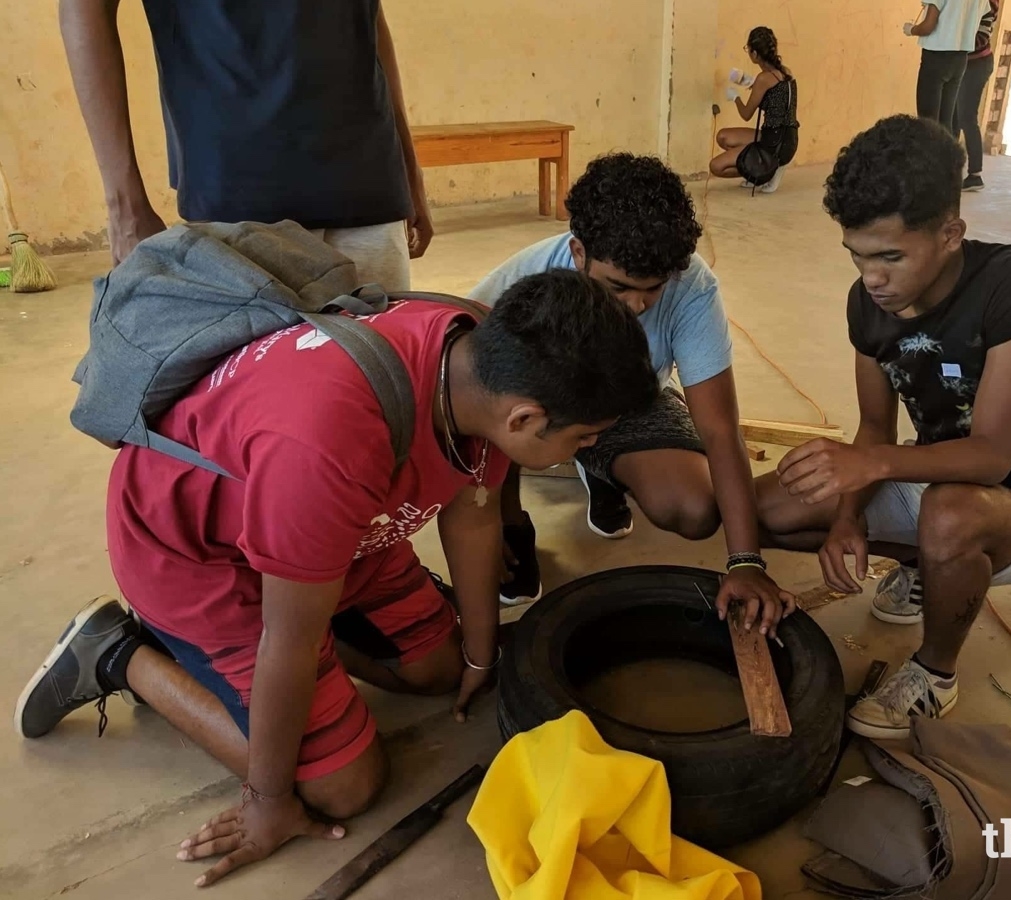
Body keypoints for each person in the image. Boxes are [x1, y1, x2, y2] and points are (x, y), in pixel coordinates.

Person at [14, 272, 657, 887]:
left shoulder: (479, 350)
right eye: (583, 438)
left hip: (341, 535)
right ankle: (119, 655)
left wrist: (480, 654)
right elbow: (286, 639)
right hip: (204, 565)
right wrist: (266, 801)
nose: (580, 452)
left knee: (441, 669)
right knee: (341, 788)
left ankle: (311, 649)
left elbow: (474, 511)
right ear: (523, 418)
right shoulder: (327, 444)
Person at [756, 115, 1011, 740]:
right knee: (775, 506)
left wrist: (873, 466)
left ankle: (936, 673)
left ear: (950, 233)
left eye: (890, 256)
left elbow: (991, 456)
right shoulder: (868, 304)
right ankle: (923, 570)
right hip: (932, 482)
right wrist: (847, 519)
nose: (871, 278)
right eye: (857, 257)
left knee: (951, 515)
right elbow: (874, 428)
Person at [471, 152, 794, 637]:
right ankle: (517, 522)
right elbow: (478, 408)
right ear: (578, 253)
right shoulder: (522, 282)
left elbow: (720, 427)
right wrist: (493, 523)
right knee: (503, 415)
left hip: (632, 400)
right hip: (541, 407)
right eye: (619, 287)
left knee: (694, 508)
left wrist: (745, 560)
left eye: (652, 289)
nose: (636, 305)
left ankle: (604, 468)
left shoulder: (693, 287)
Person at [59, 0, 432, 288]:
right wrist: (125, 206)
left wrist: (407, 164)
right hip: (238, 196)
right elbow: (83, 8)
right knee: (262, 383)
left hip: (369, 182)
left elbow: (369, 18)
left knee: (379, 377)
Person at [712, 26, 800, 194]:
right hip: (787, 139)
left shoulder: (763, 79)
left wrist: (735, 97)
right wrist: (748, 82)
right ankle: (761, 169)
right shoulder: (785, 72)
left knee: (715, 167)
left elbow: (746, 114)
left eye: (748, 49)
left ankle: (762, 172)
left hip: (773, 144)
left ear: (754, 54)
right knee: (723, 137)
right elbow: (775, 96)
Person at [904, 0, 987, 126]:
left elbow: (928, 26)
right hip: (960, 57)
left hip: (936, 56)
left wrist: (911, 30)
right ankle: (946, 146)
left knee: (928, 123)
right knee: (945, 122)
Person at [950, 0, 999, 192]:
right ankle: (949, 170)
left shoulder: (988, 3)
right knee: (953, 116)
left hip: (977, 64)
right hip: (962, 62)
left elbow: (980, 40)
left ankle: (975, 174)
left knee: (966, 117)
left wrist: (947, 39)